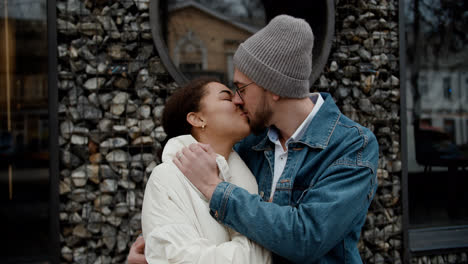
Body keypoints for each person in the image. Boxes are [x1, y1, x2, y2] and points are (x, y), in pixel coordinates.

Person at [129, 14, 378, 264]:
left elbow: (307, 237)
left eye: (241, 88)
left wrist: (216, 189)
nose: (237, 99)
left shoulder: (352, 146)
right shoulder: (248, 145)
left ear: (273, 88)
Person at [140, 77, 271, 263]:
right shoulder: (167, 178)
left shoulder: (254, 173)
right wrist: (260, 232)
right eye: (227, 98)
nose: (239, 101)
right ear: (197, 118)